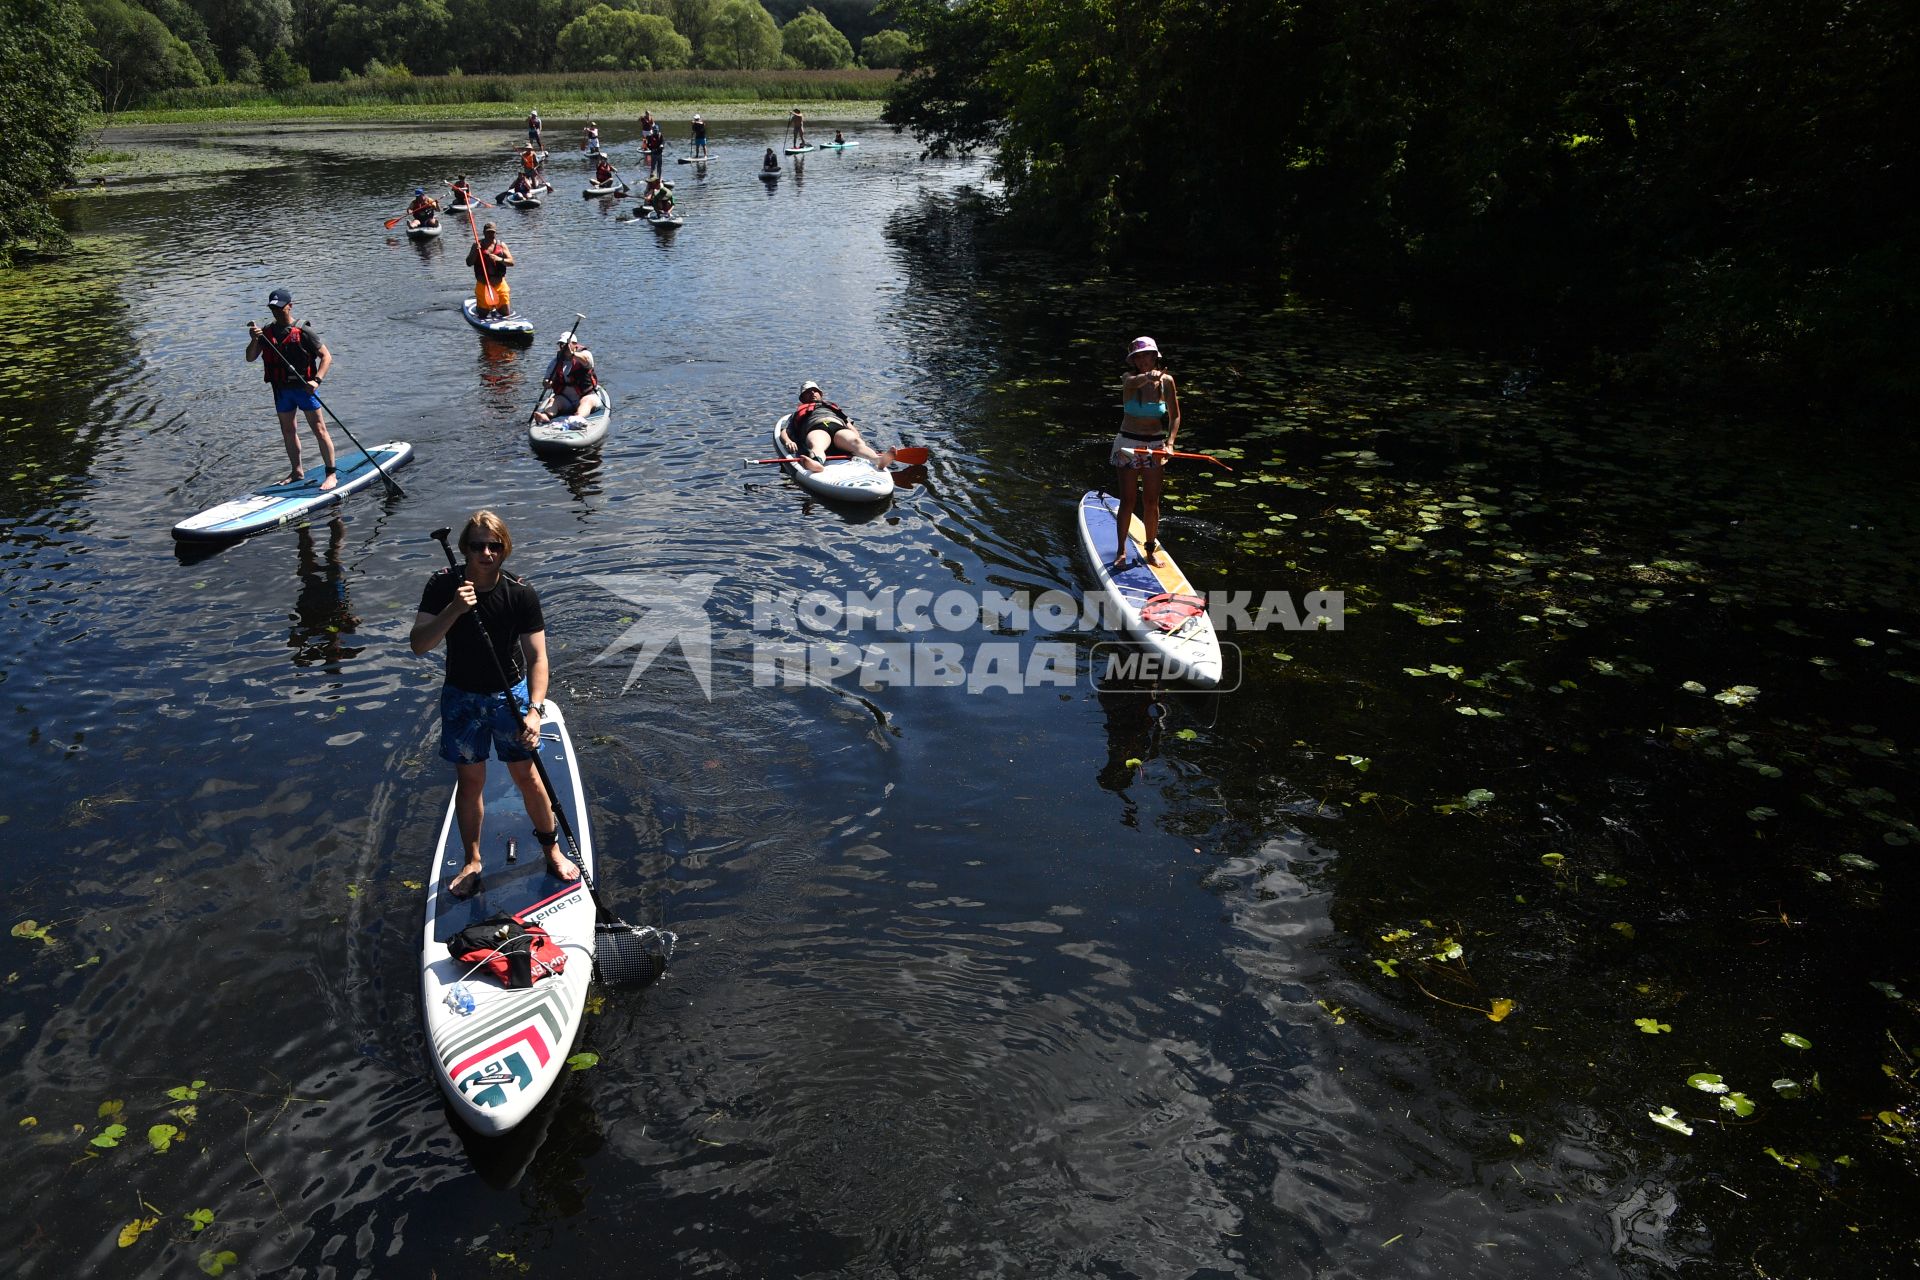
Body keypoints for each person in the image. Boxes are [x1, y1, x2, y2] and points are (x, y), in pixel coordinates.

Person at [410, 511, 579, 897]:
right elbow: (420, 645)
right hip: (462, 698)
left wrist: (535, 711)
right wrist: (454, 609)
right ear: (464, 548)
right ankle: (472, 860)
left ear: (505, 548)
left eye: (494, 545)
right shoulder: (442, 585)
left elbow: (537, 658)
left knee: (527, 777)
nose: (486, 553)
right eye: (477, 545)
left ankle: (551, 850)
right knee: (470, 782)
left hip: (510, 697)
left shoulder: (519, 592)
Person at [245, 288, 338, 489]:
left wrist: (317, 381)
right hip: (281, 391)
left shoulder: (304, 331)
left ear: (290, 306)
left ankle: (331, 474)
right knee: (288, 430)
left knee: (319, 430)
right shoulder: (265, 333)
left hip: (305, 389)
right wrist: (254, 339)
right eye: (273, 308)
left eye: (280, 308)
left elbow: (326, 357)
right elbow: (250, 357)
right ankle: (297, 472)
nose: (276, 312)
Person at [1109, 335, 1182, 567]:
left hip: (1155, 446)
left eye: (1146, 356)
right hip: (1127, 444)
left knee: (1151, 501)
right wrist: (1147, 377)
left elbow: (1175, 415)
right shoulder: (1129, 377)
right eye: (1137, 357)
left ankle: (1150, 550)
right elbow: (1132, 384)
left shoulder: (1167, 381)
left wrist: (1170, 443)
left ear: (1154, 356)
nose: (1142, 360)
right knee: (1128, 500)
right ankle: (1121, 550)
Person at [782, 381, 896, 473]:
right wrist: (788, 441)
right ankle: (817, 464)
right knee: (817, 444)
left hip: (838, 428)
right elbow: (784, 431)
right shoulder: (796, 413)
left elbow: (848, 424)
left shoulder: (832, 407)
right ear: (802, 398)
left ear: (820, 394)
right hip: (817, 428)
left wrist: (857, 437)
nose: (812, 393)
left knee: (856, 442)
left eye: (815, 391)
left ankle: (878, 460)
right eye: (808, 392)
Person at [533, 332, 601, 423]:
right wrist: (547, 383)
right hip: (566, 399)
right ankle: (545, 416)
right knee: (554, 401)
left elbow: (587, 361)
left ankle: (578, 417)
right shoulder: (556, 361)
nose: (563, 347)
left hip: (586, 395)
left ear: (574, 344)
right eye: (561, 345)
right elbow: (546, 380)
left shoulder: (585, 354)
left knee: (586, 401)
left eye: (565, 344)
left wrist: (573, 354)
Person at [466, 222, 515, 316]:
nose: (490, 235)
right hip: (483, 284)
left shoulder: (501, 245)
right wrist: (476, 251)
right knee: (483, 314)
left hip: (499, 284)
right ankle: (481, 305)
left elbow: (511, 262)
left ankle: (496, 305)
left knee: (505, 313)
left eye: (492, 232)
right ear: (484, 233)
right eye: (488, 232)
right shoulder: (477, 245)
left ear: (495, 233)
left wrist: (499, 259)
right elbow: (469, 263)